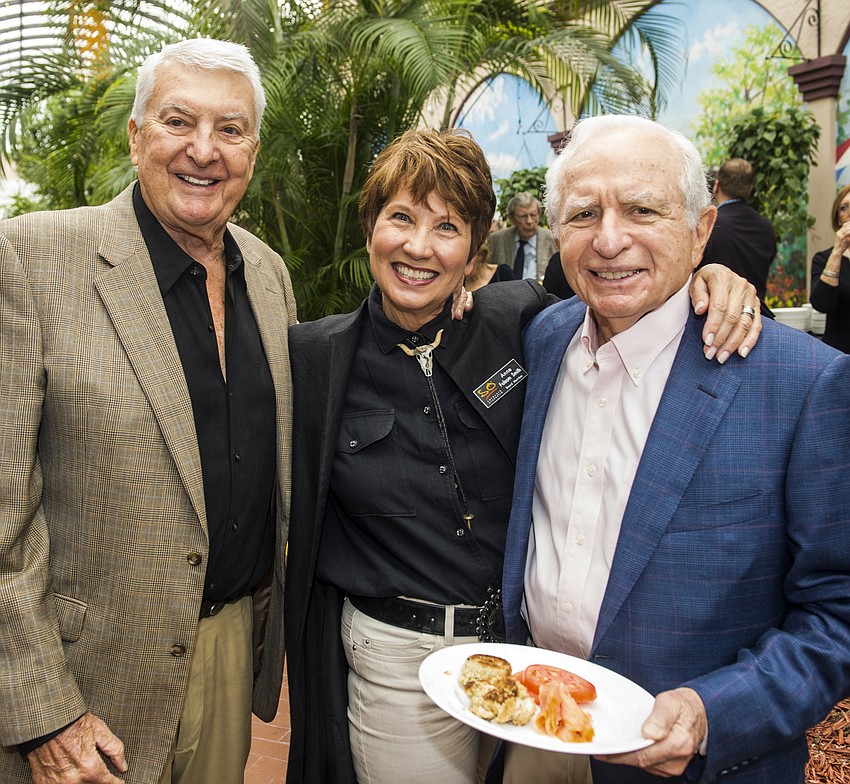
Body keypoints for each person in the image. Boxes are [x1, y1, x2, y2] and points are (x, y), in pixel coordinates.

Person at [283, 126, 762, 784]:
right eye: (400, 218)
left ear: (476, 248)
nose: (418, 247)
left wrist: (711, 276)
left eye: (446, 227)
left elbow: (632, 300)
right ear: (370, 226)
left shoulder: (522, 320)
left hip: (524, 653)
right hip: (398, 661)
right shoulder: (314, 358)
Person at [499, 114, 850, 784]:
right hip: (535, 732)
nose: (609, 239)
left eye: (642, 209)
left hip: (692, 765)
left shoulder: (801, 384)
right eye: (582, 214)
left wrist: (712, 711)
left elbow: (837, 612)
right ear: (554, 233)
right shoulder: (542, 340)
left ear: (702, 230)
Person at [0, 38, 295, 784]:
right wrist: (44, 709)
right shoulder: (31, 261)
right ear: (136, 137)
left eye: (230, 130)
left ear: (253, 151)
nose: (204, 151)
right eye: (177, 122)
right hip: (86, 675)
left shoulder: (268, 274)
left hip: (229, 652)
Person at [699, 158, 777, 303]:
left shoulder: (710, 225)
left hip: (714, 313)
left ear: (716, 185)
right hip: (757, 314)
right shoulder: (766, 228)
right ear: (749, 189)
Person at [810, 184, 850, 352]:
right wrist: (838, 251)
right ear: (838, 218)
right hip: (840, 355)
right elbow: (822, 304)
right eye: (844, 208)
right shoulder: (824, 258)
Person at [489, 192, 557, 280]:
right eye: (523, 216)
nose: (529, 221)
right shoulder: (497, 240)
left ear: (539, 215)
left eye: (533, 215)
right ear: (512, 218)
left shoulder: (552, 238)